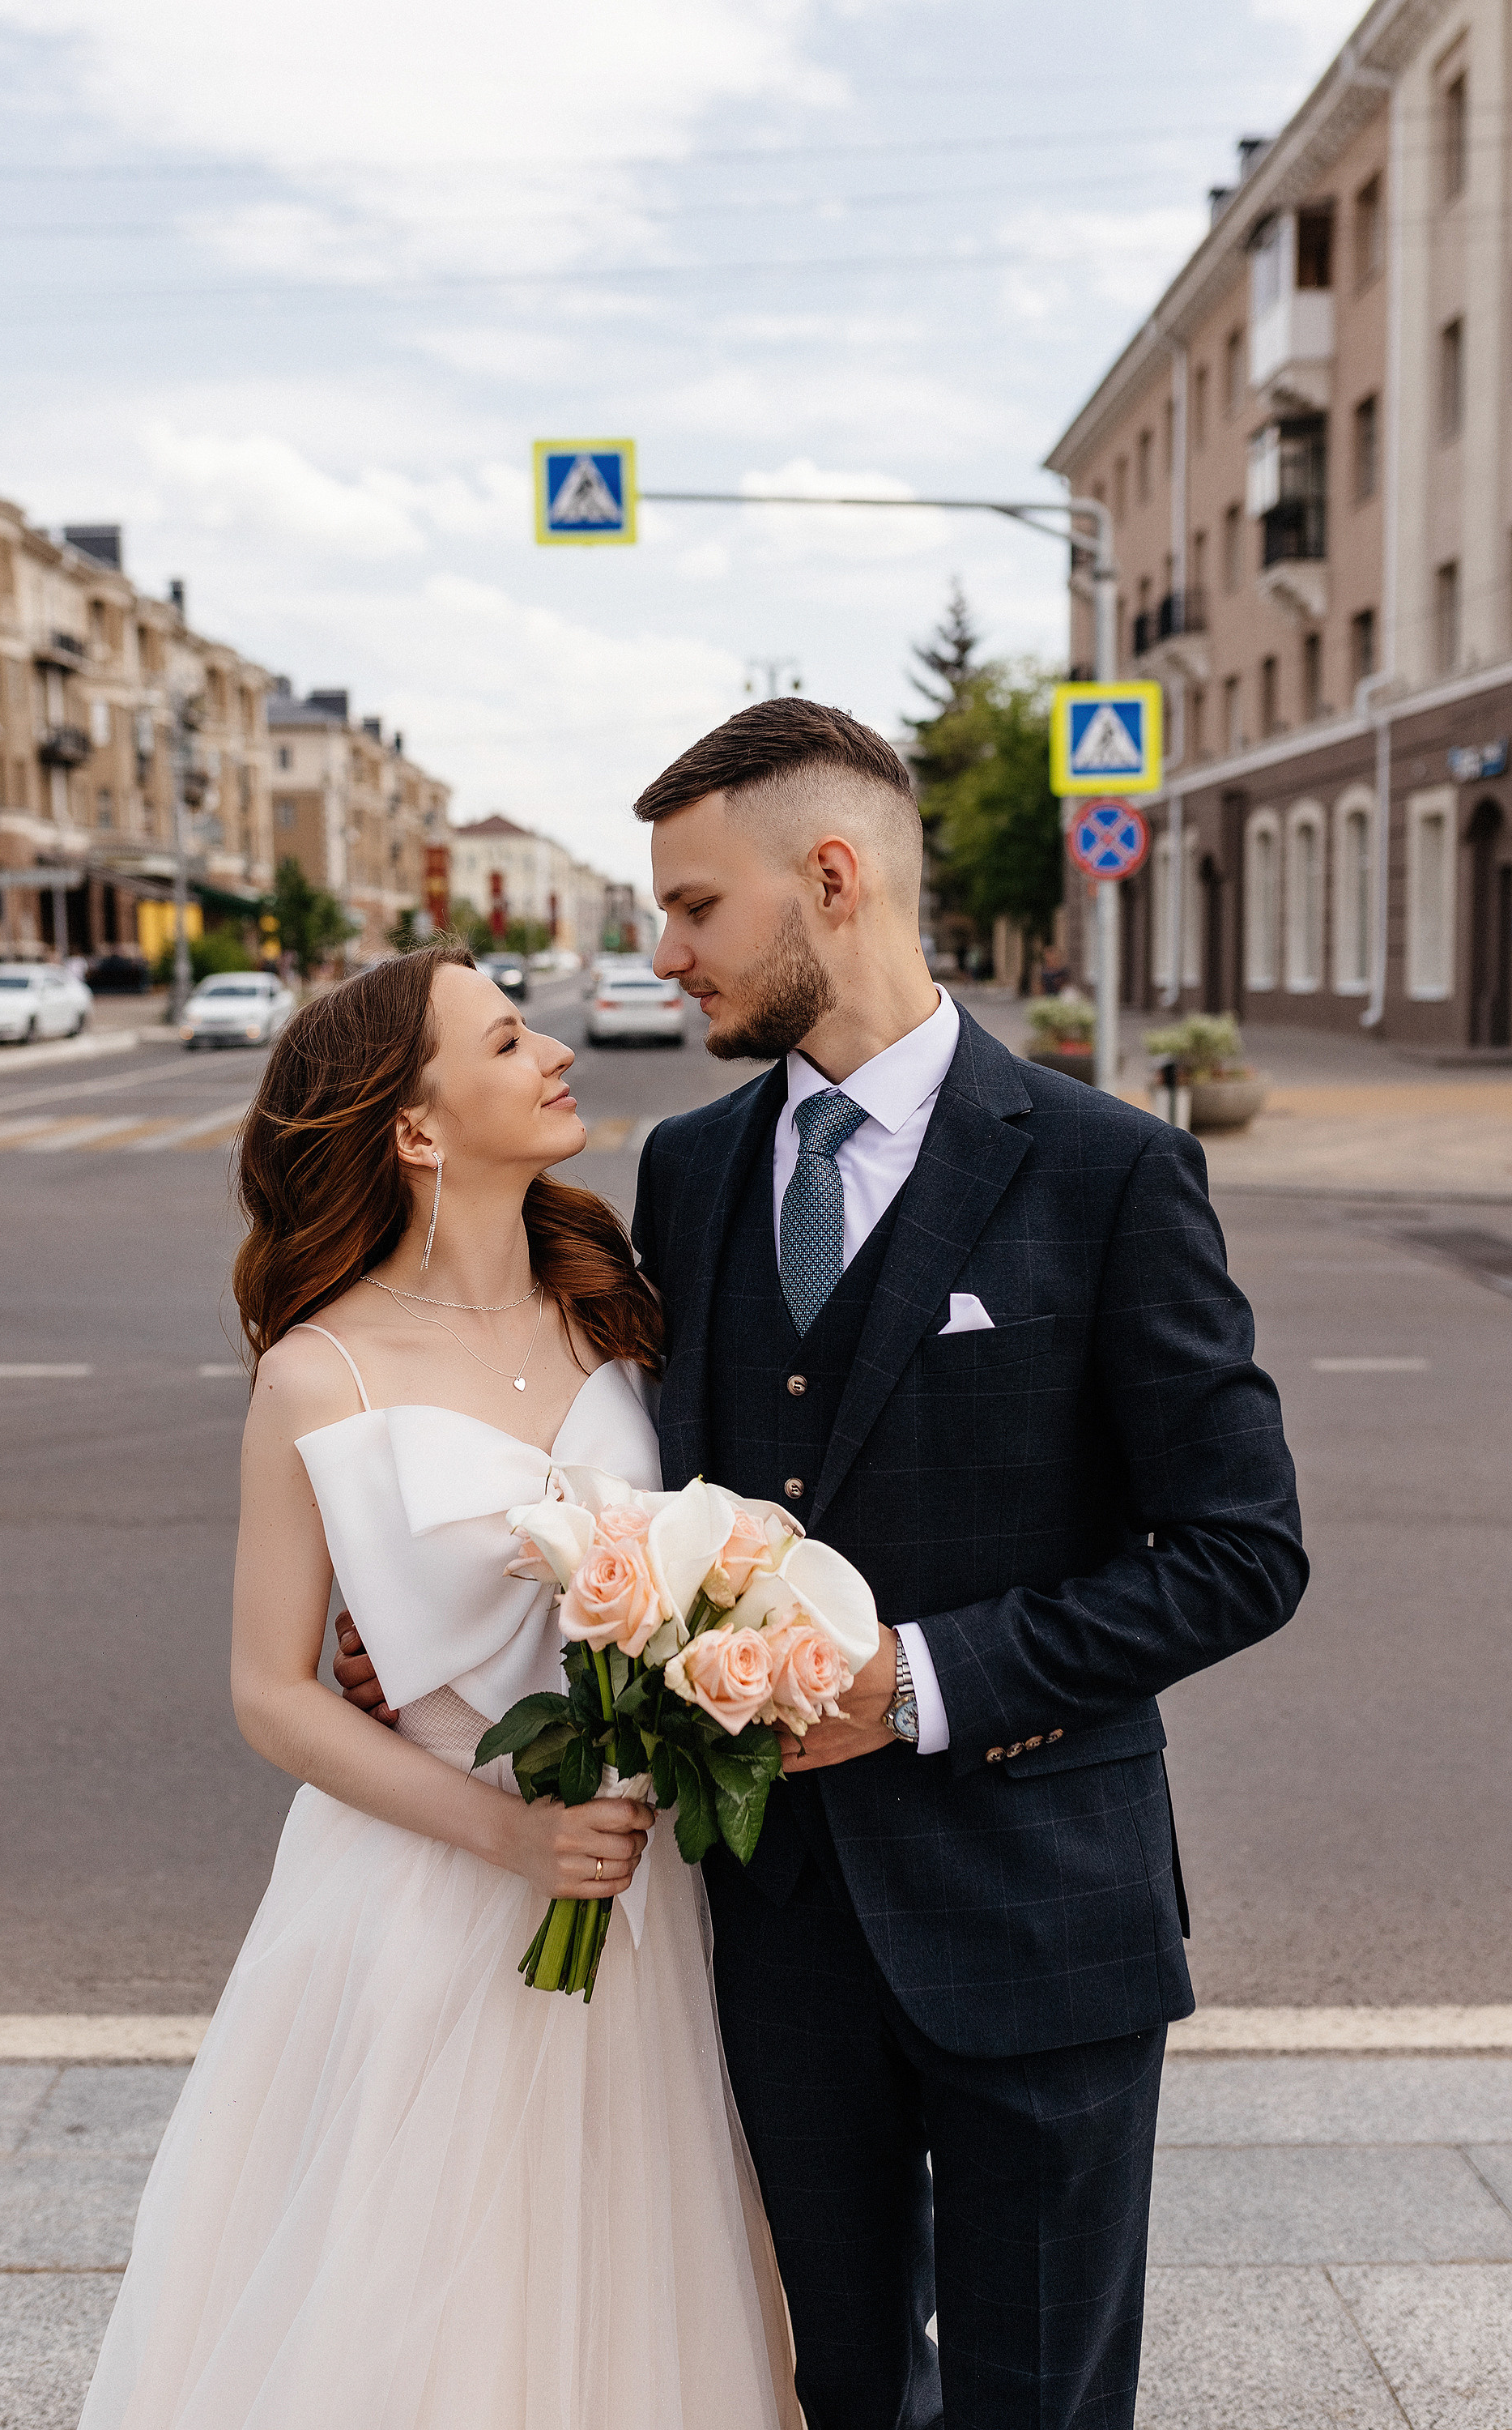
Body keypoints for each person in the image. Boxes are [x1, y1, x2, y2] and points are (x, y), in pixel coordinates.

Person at [337, 701, 1307, 2427]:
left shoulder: (1107, 1171)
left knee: (1033, 2402)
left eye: (696, 907)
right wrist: (427, 1617)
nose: (664, 949)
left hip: (1037, 1910)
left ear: (831, 879)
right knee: (837, 2386)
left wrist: (912, 1685)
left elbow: (1239, 1551)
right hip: (773, 1921)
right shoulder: (690, 1171)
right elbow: (607, 1470)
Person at [79, 942, 796, 2430]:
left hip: (639, 1886)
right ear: (416, 1130)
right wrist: (507, 1836)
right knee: (422, 2316)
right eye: (509, 1039)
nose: (557, 1056)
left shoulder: (620, 1315)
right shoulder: (316, 1375)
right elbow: (272, 1691)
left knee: (632, 2288)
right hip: (429, 1893)